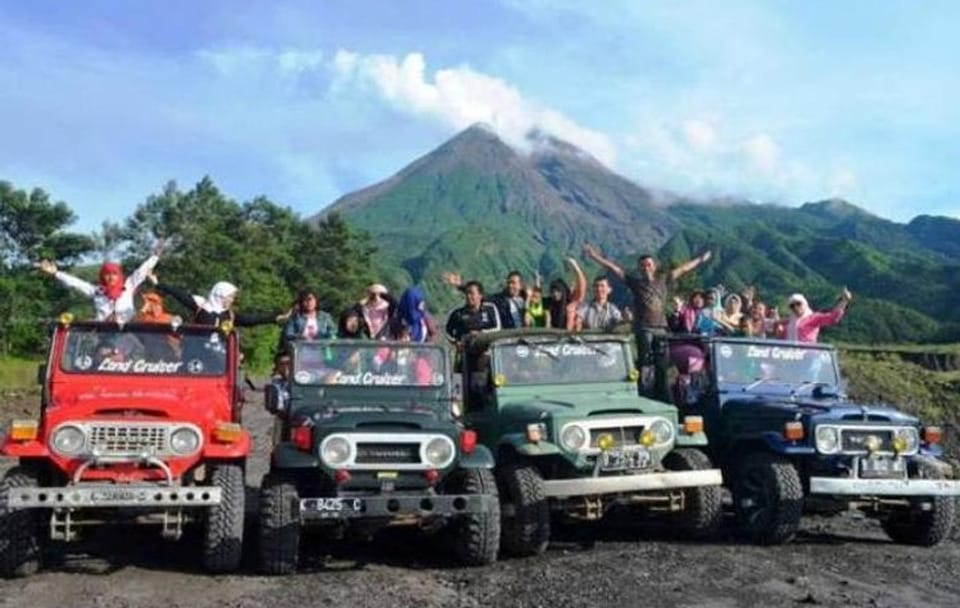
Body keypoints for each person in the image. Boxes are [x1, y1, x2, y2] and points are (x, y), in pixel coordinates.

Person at [584, 244, 713, 381]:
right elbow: (614, 269)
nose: (646, 267)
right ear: (639, 268)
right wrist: (594, 257)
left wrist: (700, 260)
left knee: (662, 361)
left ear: (654, 266)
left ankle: (662, 389)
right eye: (643, 265)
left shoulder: (664, 280)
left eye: (649, 264)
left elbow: (683, 269)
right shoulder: (635, 283)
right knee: (645, 361)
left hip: (661, 328)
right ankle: (645, 387)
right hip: (644, 328)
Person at [38, 240, 164, 323]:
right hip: (104, 333)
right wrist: (56, 273)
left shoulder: (129, 285)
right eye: (107, 275)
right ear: (102, 276)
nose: (111, 278)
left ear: (119, 275)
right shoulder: (97, 291)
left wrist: (155, 256)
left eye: (114, 274)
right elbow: (76, 283)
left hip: (127, 332)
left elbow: (142, 271)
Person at [152, 278, 288, 328]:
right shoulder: (201, 306)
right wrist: (159, 284)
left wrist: (274, 318)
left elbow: (252, 319)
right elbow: (179, 294)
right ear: (220, 295)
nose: (232, 300)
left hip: (219, 362)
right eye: (230, 297)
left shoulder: (230, 316)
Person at [443, 270, 526, 329]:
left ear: (520, 285)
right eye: (508, 283)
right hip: (509, 338)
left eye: (513, 283)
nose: (510, 285)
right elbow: (480, 295)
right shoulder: (500, 300)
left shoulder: (527, 298)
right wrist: (460, 285)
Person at [779, 289, 852, 343]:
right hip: (790, 356)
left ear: (804, 304)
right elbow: (781, 336)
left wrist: (844, 301)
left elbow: (832, 318)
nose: (795, 307)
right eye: (792, 305)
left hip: (808, 355)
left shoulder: (814, 317)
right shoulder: (789, 322)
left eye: (798, 303)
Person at [279, 288, 336, 353]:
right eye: (305, 300)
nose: (308, 302)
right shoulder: (295, 318)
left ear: (316, 300)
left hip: (322, 352)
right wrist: (300, 337)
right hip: (301, 354)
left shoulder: (325, 316)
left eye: (310, 299)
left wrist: (327, 342)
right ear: (301, 303)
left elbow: (333, 332)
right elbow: (288, 335)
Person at [547, 258, 587, 331]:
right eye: (553, 291)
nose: (555, 294)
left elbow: (582, 286)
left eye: (558, 291)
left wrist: (575, 267)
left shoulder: (571, 303)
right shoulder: (550, 304)